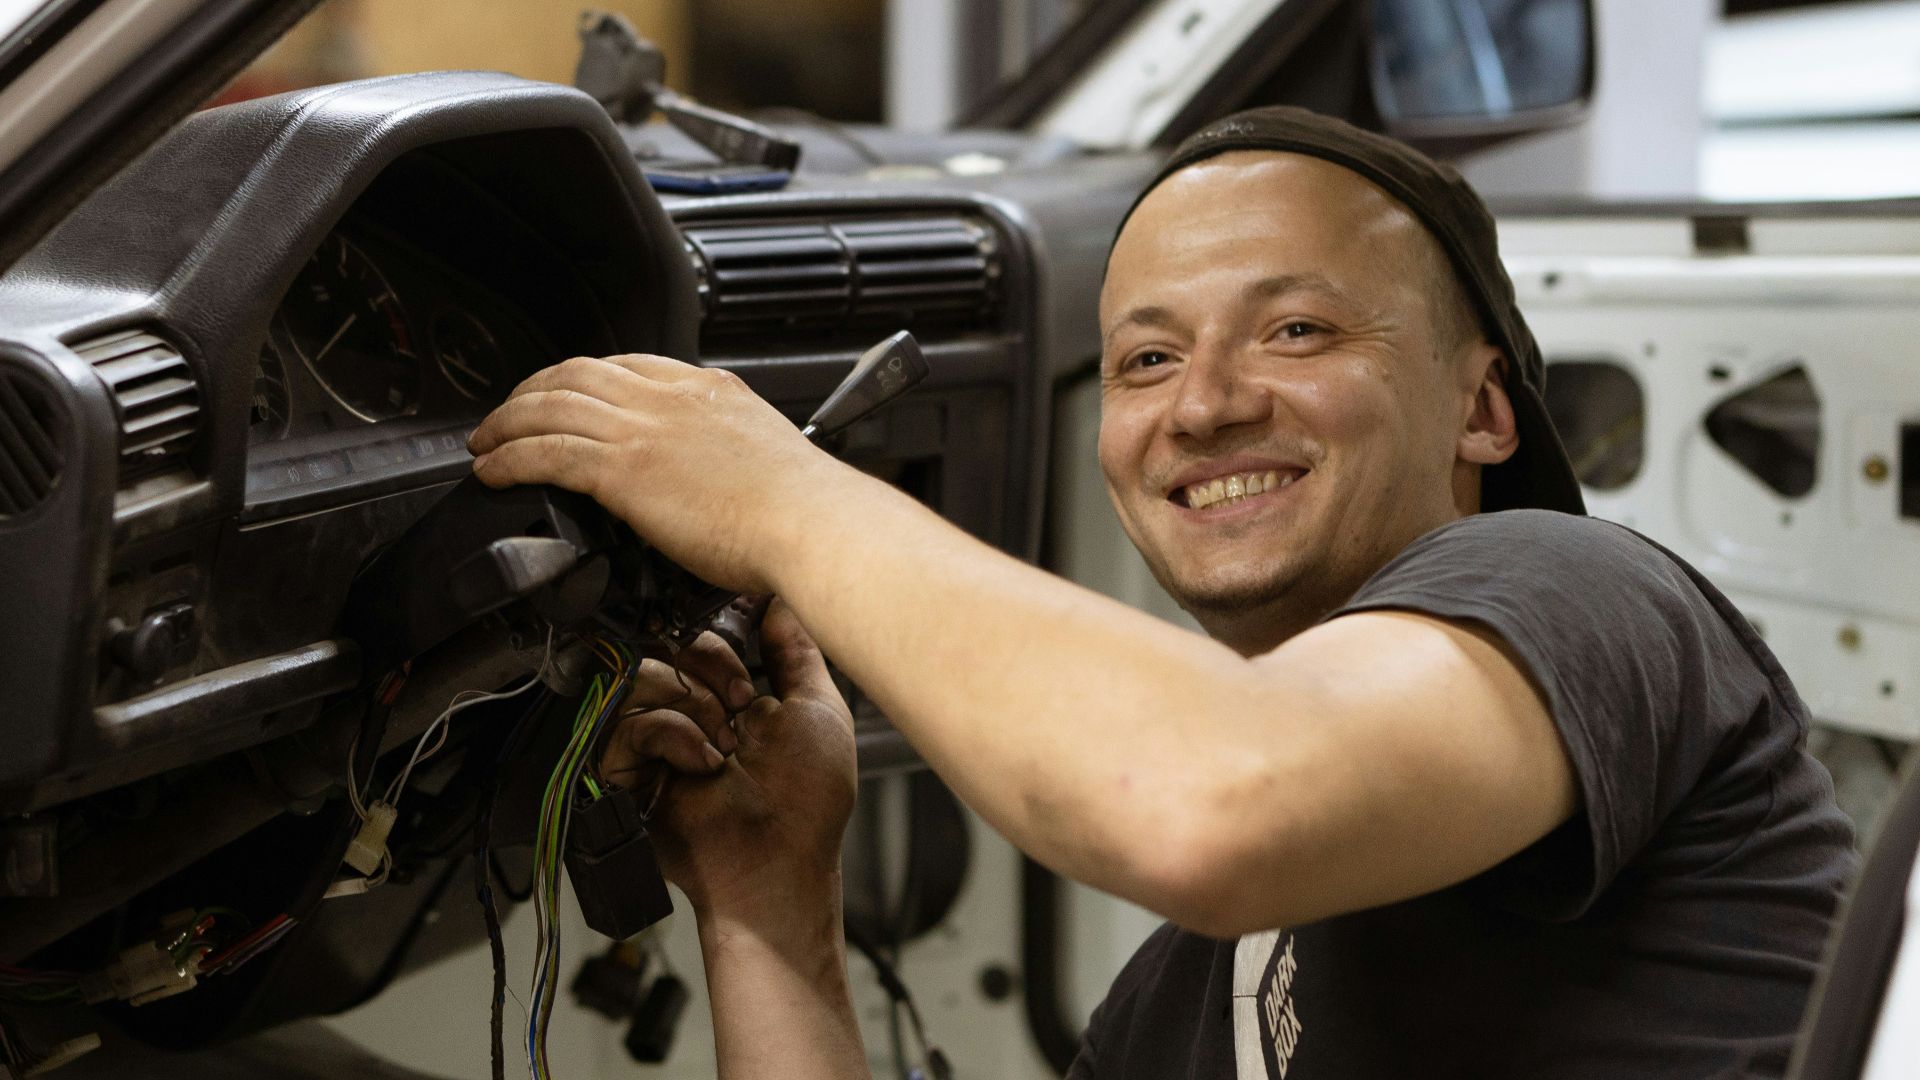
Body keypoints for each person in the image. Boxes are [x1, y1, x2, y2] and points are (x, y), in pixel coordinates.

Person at [464, 107, 1857, 1079]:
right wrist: (770, 910)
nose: (1205, 406)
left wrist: (772, 495)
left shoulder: (1582, 587)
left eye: (1297, 329)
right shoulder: (1194, 1000)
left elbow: (1214, 802)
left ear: (1482, 409)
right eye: (1143, 361)